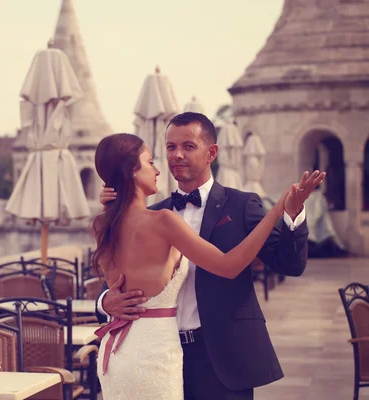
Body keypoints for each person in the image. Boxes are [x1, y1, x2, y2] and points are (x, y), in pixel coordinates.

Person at [94, 113, 325, 400]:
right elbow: (120, 279)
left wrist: (290, 214)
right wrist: (105, 301)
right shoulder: (152, 215)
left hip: (224, 357)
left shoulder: (242, 204)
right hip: (162, 352)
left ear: (211, 153)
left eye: (188, 146)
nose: (176, 155)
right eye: (169, 147)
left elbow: (290, 264)